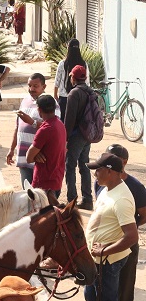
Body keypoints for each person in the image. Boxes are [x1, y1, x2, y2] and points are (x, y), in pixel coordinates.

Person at [75, 153, 138, 301]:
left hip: (109, 261)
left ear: (110, 171)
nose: (95, 173)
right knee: (92, 296)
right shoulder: (106, 189)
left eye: (98, 169)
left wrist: (105, 250)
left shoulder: (122, 199)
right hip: (96, 259)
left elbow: (131, 236)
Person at [98, 145, 146, 301]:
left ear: (123, 163)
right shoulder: (100, 182)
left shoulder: (135, 187)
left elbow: (144, 215)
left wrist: (127, 230)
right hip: (103, 243)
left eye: (113, 157)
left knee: (124, 285)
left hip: (126, 242)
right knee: (103, 286)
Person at [7, 74, 59, 186]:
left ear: (43, 87)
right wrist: (12, 149)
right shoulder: (25, 101)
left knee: (40, 195)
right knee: (27, 193)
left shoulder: (49, 103)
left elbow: (53, 128)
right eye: (29, 86)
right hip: (23, 156)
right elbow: (18, 127)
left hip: (39, 157)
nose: (31, 89)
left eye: (35, 86)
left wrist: (32, 122)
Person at [63, 65, 94, 209]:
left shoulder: (74, 93)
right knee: (84, 166)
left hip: (76, 135)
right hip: (88, 134)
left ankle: (72, 201)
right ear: (85, 77)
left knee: (70, 166)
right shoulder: (90, 91)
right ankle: (87, 199)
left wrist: (65, 138)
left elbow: (69, 120)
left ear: (73, 78)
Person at [26, 95, 66, 200]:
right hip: (56, 179)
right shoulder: (60, 124)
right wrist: (37, 153)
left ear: (39, 110)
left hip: (44, 183)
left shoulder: (45, 129)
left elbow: (29, 158)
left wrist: (35, 154)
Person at [53, 38, 85, 119]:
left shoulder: (62, 64)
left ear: (68, 48)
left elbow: (57, 80)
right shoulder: (83, 64)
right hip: (78, 97)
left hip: (64, 98)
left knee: (63, 121)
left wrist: (55, 95)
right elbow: (87, 82)